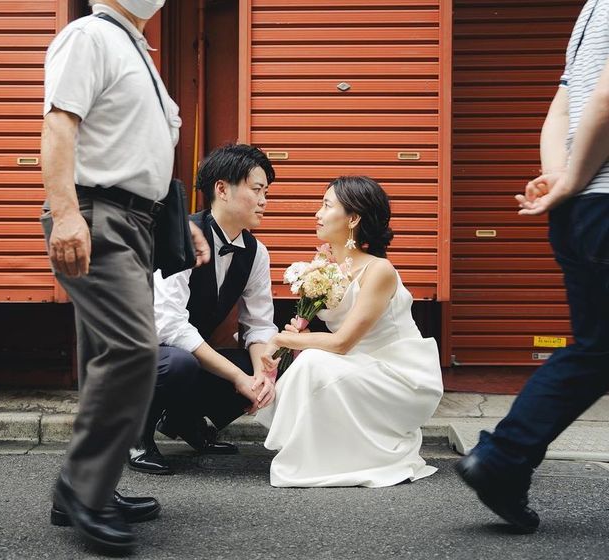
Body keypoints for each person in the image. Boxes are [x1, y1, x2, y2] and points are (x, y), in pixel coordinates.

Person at [39, 0, 208, 554]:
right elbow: (60, 122)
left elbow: (136, 153)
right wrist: (65, 213)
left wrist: (180, 223)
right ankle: (82, 489)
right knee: (135, 350)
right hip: (98, 214)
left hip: (135, 219)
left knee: (104, 359)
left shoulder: (135, 48)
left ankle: (92, 488)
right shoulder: (89, 36)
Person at [456, 0, 609, 534]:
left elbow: (561, 109)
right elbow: (607, 98)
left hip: (580, 210)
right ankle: (502, 457)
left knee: (596, 350)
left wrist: (560, 179)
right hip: (598, 196)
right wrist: (570, 180)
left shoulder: (591, 11)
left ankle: (503, 458)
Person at [256, 176, 443, 488]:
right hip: (359, 368)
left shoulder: (379, 271)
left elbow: (342, 343)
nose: (318, 213)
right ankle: (328, 454)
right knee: (311, 361)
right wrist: (299, 335)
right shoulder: (327, 270)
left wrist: (280, 338)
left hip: (401, 379)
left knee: (313, 362)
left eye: (327, 205)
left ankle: (319, 456)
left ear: (353, 218)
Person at [128, 144, 278, 475]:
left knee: (273, 358)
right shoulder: (181, 236)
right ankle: (136, 435)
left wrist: (261, 376)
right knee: (179, 363)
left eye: (266, 192)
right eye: (256, 190)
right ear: (222, 189)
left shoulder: (256, 253)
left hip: (184, 352)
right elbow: (168, 325)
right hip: (139, 354)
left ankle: (185, 421)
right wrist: (238, 378)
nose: (264, 200)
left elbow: (259, 324)